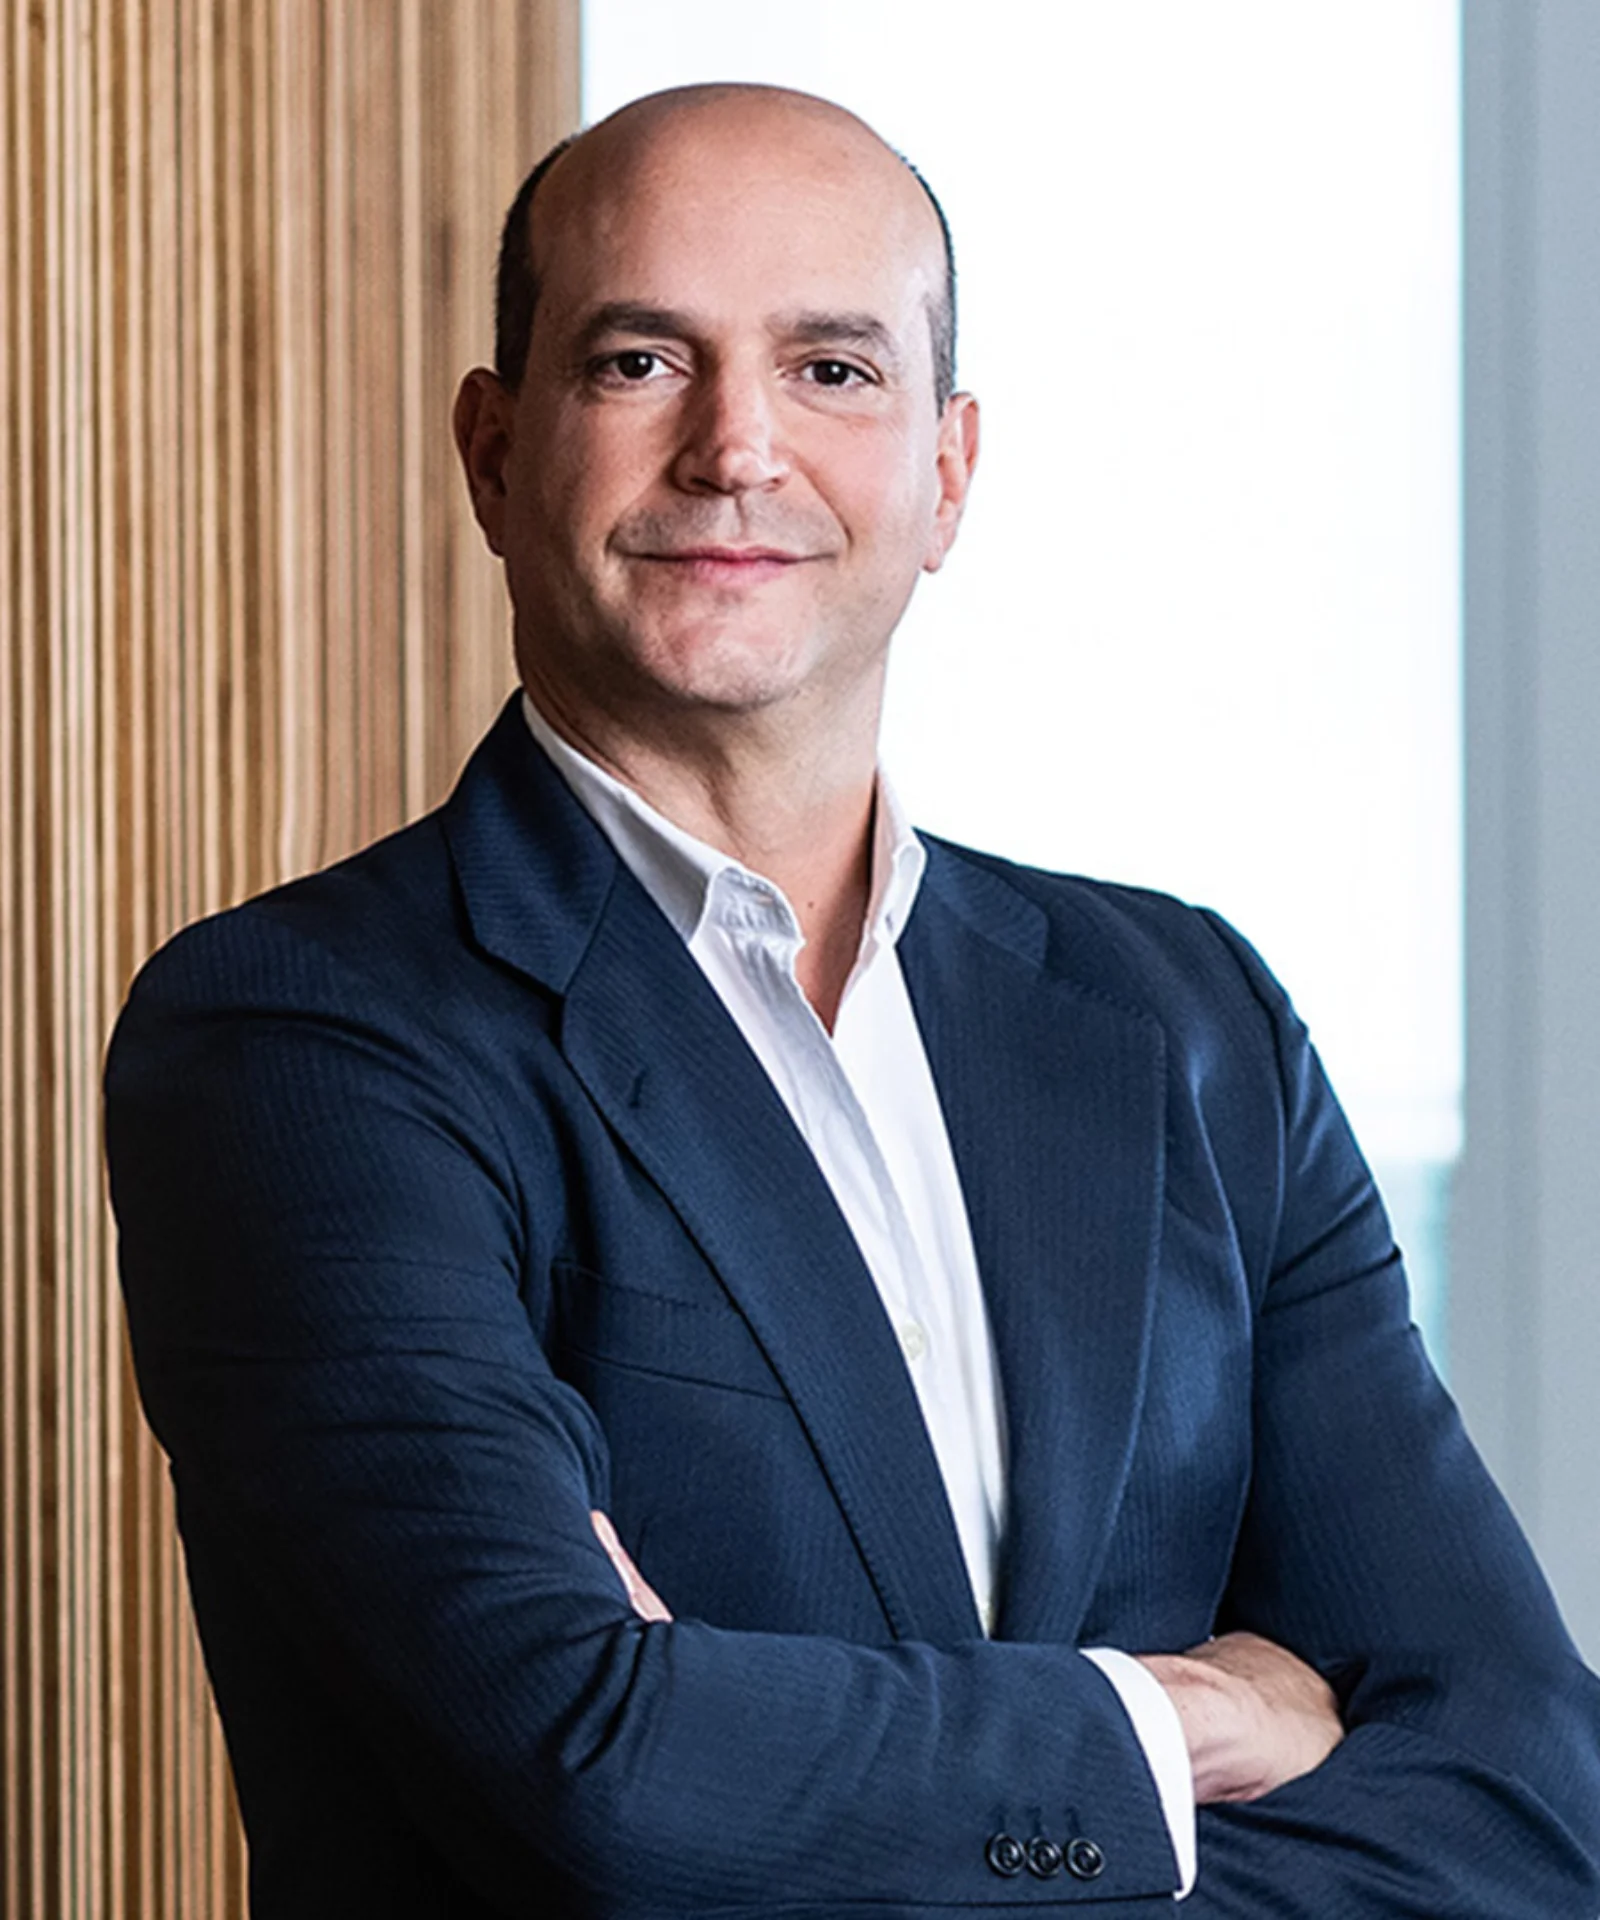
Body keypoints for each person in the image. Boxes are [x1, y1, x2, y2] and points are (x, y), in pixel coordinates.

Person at [105, 83, 1600, 1917]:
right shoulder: (302, 1042)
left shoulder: (1193, 1028)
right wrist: (1174, 1722)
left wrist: (798, 1773)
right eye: (643, 359)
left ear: (949, 475)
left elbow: (1530, 1794)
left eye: (832, 370)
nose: (737, 449)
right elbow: (605, 1780)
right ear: (494, 455)